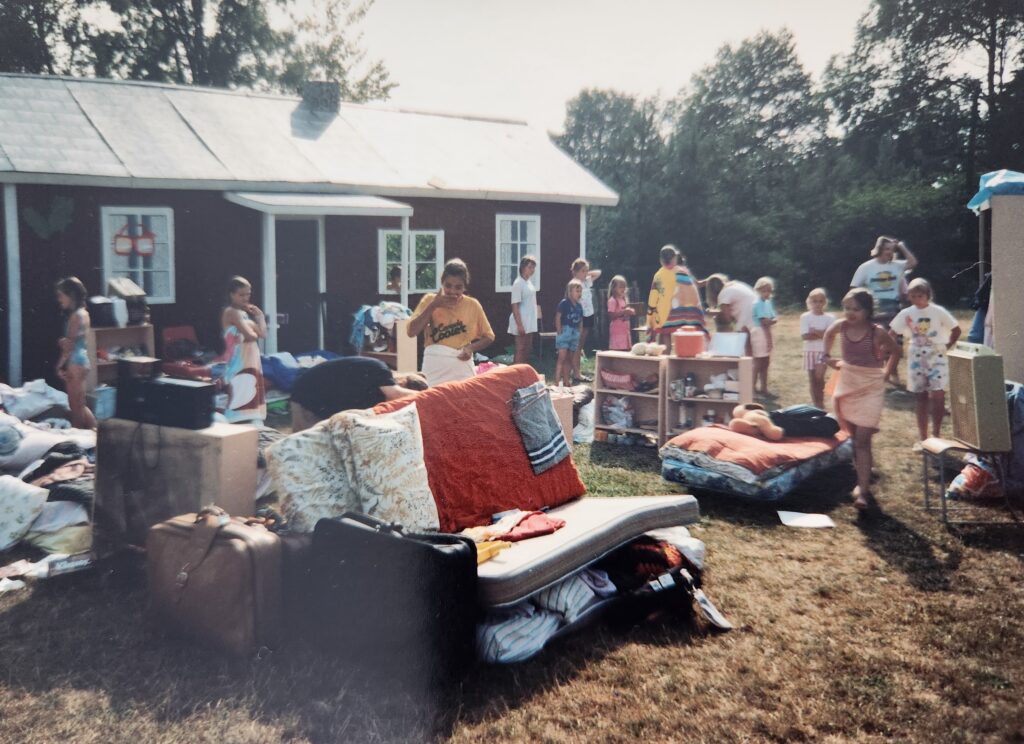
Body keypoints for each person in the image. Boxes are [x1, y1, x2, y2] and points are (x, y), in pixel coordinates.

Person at [823, 288, 901, 511]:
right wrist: (827, 357)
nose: (850, 313)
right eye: (847, 308)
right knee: (854, 437)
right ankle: (861, 481)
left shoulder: (876, 332)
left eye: (856, 309)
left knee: (863, 440)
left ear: (867, 311)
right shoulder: (841, 326)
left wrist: (886, 374)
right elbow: (828, 335)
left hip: (870, 386)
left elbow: (896, 351)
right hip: (848, 383)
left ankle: (863, 492)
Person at [888, 278, 962, 441]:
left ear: (928, 295)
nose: (916, 299)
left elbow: (956, 329)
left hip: (937, 356)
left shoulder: (938, 311)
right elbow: (891, 333)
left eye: (920, 295)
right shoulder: (906, 313)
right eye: (913, 296)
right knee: (920, 396)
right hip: (916, 357)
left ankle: (936, 434)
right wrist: (892, 350)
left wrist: (946, 346)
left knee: (938, 395)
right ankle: (923, 438)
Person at [407, 258, 494, 386]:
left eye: (458, 287)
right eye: (448, 286)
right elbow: (411, 331)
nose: (452, 291)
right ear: (442, 283)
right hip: (435, 363)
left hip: (462, 363)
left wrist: (471, 348)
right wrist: (433, 306)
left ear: (464, 287)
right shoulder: (429, 300)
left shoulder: (472, 305)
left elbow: (489, 336)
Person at [289, 356, 427, 432]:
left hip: (318, 399)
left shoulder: (376, 392)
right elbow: (396, 394)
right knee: (303, 446)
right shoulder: (381, 370)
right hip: (307, 394)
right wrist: (433, 395)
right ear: (403, 383)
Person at [850, 236, 918, 384]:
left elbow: (913, 262)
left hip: (893, 307)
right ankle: (877, 375)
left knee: (895, 344)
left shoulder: (897, 266)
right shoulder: (866, 267)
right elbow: (854, 288)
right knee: (877, 343)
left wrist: (901, 245)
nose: (889, 252)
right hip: (874, 308)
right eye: (887, 249)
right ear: (879, 249)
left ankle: (892, 373)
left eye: (892, 250)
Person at [219, 276, 268, 424]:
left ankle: (251, 424)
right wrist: (253, 329)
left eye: (248, 294)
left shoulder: (244, 313)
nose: (246, 298)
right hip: (239, 361)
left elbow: (263, 334)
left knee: (251, 391)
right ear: (231, 294)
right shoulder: (231, 312)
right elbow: (251, 336)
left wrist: (259, 316)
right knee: (240, 395)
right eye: (241, 295)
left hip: (250, 359)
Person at [54, 277, 97, 430]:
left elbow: (69, 346)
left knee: (75, 406)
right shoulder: (84, 313)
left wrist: (59, 367)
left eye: (60, 296)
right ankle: (96, 433)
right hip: (83, 361)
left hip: (74, 363)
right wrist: (63, 341)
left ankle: (77, 437)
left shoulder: (75, 316)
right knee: (81, 403)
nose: (59, 300)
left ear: (70, 295)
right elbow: (76, 340)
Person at [646, 245, 707, 345]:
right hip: (683, 312)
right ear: (675, 258)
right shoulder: (682, 272)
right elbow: (692, 289)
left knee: (665, 335)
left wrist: (652, 315)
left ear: (661, 260)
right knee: (684, 335)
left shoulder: (659, 275)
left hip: (664, 312)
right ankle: (684, 356)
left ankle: (665, 358)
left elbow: (654, 295)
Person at [800, 288, 835, 409]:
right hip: (809, 351)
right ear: (809, 302)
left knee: (819, 378)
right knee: (812, 380)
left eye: (820, 301)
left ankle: (821, 403)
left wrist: (814, 331)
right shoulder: (805, 317)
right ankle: (816, 405)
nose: (818, 304)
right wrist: (822, 333)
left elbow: (830, 336)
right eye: (814, 301)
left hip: (823, 351)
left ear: (825, 302)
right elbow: (805, 336)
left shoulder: (830, 318)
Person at [571, 258, 601, 383]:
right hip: (580, 316)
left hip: (589, 314)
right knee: (577, 346)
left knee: (581, 345)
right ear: (576, 272)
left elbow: (598, 273)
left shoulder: (586, 282)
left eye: (586, 271)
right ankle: (576, 373)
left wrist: (586, 274)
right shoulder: (574, 284)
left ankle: (576, 371)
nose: (586, 273)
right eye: (583, 271)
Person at [508, 255, 538, 365]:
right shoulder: (518, 283)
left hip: (529, 320)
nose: (532, 270)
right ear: (522, 267)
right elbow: (515, 305)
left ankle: (524, 374)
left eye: (533, 267)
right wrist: (519, 325)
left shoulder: (528, 283)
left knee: (527, 349)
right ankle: (516, 375)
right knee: (520, 349)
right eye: (530, 267)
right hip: (521, 320)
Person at [716, 279, 758, 355]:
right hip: (756, 311)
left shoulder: (723, 294)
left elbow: (727, 316)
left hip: (746, 314)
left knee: (744, 341)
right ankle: (751, 362)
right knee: (751, 344)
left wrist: (734, 327)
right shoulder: (738, 285)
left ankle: (747, 363)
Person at [554, 279, 584, 387]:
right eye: (577, 291)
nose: (579, 294)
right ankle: (557, 382)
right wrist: (559, 331)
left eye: (580, 291)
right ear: (570, 291)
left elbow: (581, 320)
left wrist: (579, 332)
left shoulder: (579, 306)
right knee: (562, 357)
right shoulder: (564, 303)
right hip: (565, 331)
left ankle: (566, 381)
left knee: (569, 358)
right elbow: (558, 317)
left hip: (574, 332)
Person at [752, 276, 778, 395]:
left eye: (768, 290)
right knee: (758, 361)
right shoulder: (758, 303)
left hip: (767, 331)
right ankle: (752, 387)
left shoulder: (768, 302)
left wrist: (771, 321)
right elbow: (764, 322)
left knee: (766, 361)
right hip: (759, 332)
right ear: (758, 290)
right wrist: (771, 321)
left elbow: (773, 318)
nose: (766, 293)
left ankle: (764, 387)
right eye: (763, 291)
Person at [606, 275, 635, 351]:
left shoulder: (623, 299)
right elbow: (611, 316)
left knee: (626, 351)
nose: (623, 289)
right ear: (613, 288)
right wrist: (624, 312)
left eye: (624, 286)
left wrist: (629, 312)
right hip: (617, 332)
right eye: (620, 287)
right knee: (618, 352)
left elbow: (624, 313)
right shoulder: (612, 300)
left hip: (625, 331)